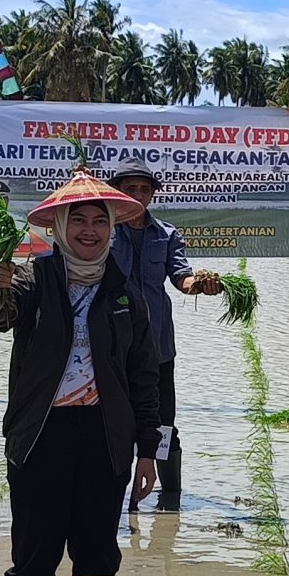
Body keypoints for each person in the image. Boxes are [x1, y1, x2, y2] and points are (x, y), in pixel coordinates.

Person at [0, 169, 162, 576]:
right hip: (41, 435)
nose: (89, 230)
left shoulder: (126, 297)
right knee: (34, 553)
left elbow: (145, 381)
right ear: (58, 227)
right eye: (76, 219)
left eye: (98, 221)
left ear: (111, 228)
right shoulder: (31, 278)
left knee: (97, 549)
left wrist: (149, 451)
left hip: (105, 439)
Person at [109, 161, 222, 510]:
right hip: (112, 347)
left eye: (144, 190)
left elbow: (181, 277)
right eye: (130, 189)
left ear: (153, 194)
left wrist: (200, 285)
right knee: (110, 424)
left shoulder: (167, 234)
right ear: (118, 193)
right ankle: (111, 496)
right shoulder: (105, 231)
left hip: (157, 348)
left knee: (163, 424)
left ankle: (169, 502)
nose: (138, 196)